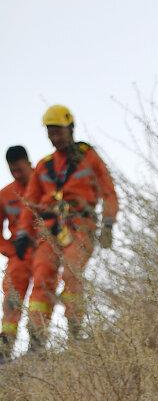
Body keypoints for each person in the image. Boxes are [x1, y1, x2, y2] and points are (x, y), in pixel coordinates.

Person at [17, 108, 117, 348]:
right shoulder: (44, 165)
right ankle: (37, 340)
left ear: (70, 128)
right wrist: (23, 233)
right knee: (41, 278)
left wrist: (108, 224)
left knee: (72, 274)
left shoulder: (89, 157)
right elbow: (29, 204)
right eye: (50, 132)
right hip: (50, 229)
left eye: (57, 131)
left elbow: (109, 193)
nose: (54, 136)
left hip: (80, 225)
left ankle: (75, 330)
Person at [0, 145, 34, 358]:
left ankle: (38, 342)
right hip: (19, 256)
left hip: (44, 251)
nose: (17, 174)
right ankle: (5, 348)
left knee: (43, 294)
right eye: (13, 170)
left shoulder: (44, 186)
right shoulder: (5, 195)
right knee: (11, 298)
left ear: (29, 164)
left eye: (20, 169)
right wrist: (9, 251)